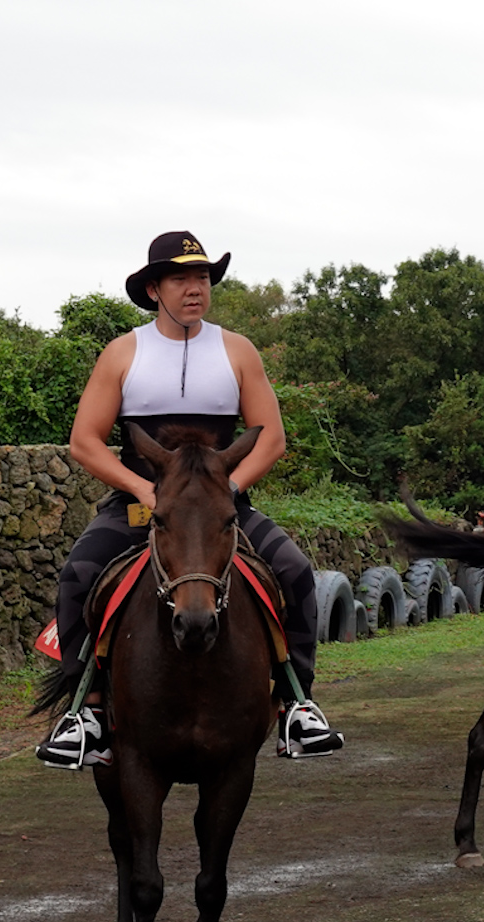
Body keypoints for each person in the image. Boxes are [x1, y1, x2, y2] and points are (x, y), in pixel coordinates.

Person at [35, 231, 343, 768]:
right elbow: (85, 440)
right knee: (78, 575)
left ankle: (298, 704)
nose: (194, 288)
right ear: (154, 289)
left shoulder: (238, 350)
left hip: (223, 508)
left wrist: (230, 489)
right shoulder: (123, 353)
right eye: (181, 278)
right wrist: (144, 490)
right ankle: (84, 711)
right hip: (142, 507)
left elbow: (271, 436)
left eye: (202, 277)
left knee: (294, 570)